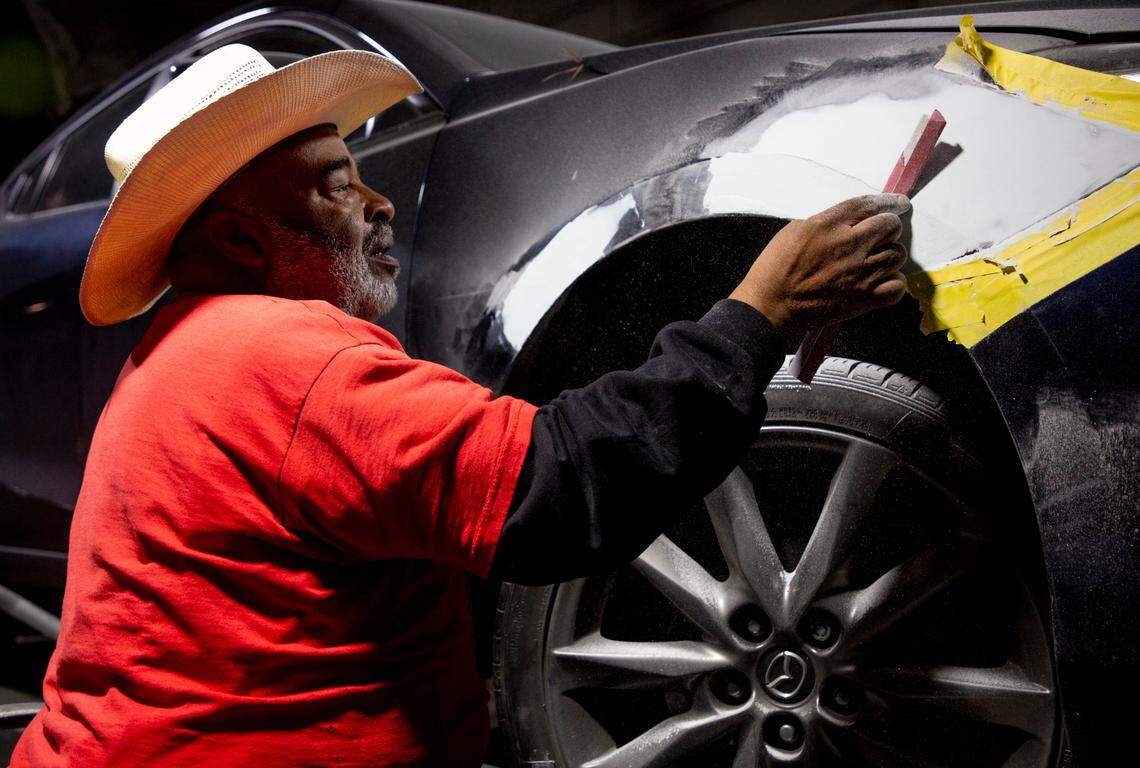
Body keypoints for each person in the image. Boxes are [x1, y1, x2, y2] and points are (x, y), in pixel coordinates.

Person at [11, 43, 909, 767]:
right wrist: (764, 311)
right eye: (334, 184)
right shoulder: (279, 359)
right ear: (243, 238)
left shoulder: (181, 357)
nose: (379, 201)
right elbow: (560, 490)